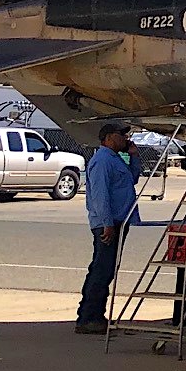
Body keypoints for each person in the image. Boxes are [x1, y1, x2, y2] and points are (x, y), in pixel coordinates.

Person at [76, 121, 141, 335]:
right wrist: (106, 223)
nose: (126, 139)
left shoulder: (115, 159)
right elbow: (100, 195)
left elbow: (132, 179)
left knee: (107, 269)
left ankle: (95, 314)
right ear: (110, 137)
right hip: (108, 223)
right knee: (102, 269)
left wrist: (134, 156)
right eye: (122, 135)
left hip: (119, 221)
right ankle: (88, 317)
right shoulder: (102, 160)